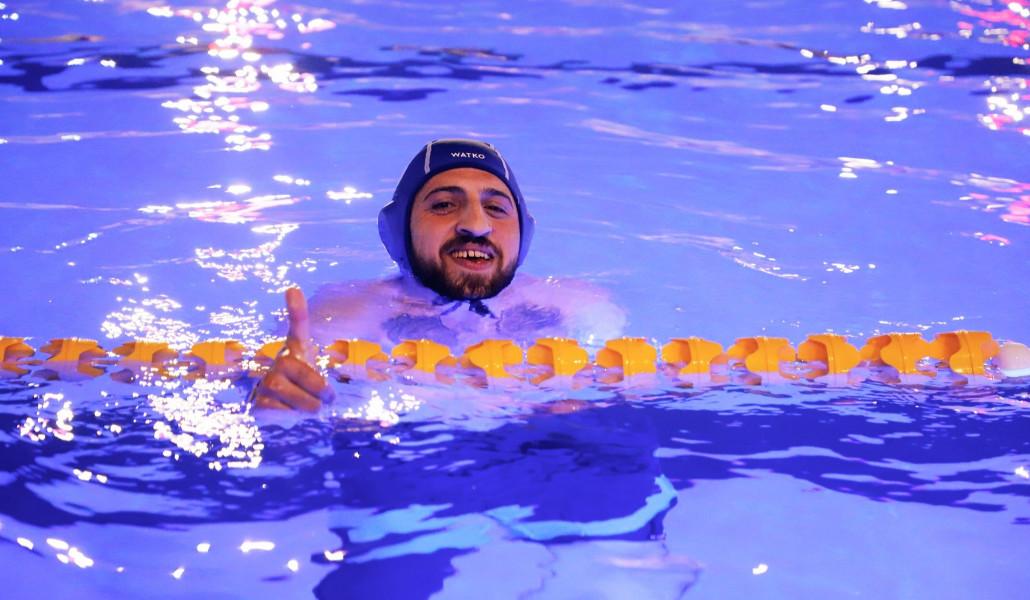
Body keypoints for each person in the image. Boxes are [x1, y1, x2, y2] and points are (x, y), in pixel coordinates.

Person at [254, 139, 625, 410]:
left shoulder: (577, 307)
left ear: (523, 234)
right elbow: (296, 411)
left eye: (497, 208)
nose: (476, 225)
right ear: (399, 230)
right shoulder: (345, 317)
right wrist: (276, 410)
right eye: (445, 205)